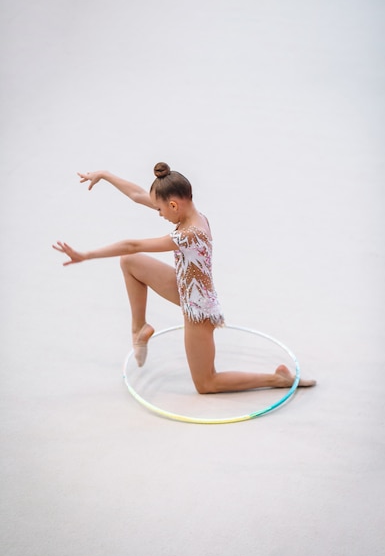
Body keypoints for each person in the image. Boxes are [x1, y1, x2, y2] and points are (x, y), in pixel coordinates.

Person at [53, 163, 316, 394]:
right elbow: (136, 195)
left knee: (206, 384)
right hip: (184, 286)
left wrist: (86, 254)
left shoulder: (190, 234)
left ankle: (276, 378)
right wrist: (105, 174)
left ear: (174, 205)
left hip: (199, 310)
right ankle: (140, 327)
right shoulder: (192, 214)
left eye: (160, 210)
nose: (159, 214)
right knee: (131, 263)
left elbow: (133, 244)